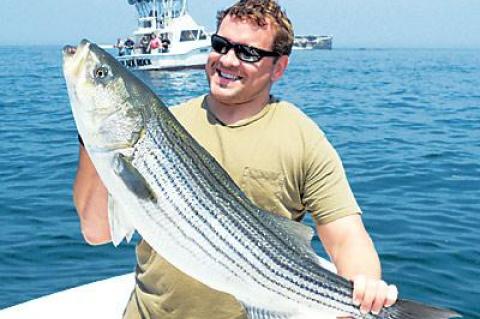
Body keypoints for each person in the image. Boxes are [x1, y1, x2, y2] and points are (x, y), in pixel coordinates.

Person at [73, 1, 398, 318]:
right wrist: (92, 136)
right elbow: (97, 231)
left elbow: (346, 237)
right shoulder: (167, 125)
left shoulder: (303, 138)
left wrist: (364, 290)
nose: (227, 60)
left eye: (248, 53)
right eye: (220, 45)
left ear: (279, 67)